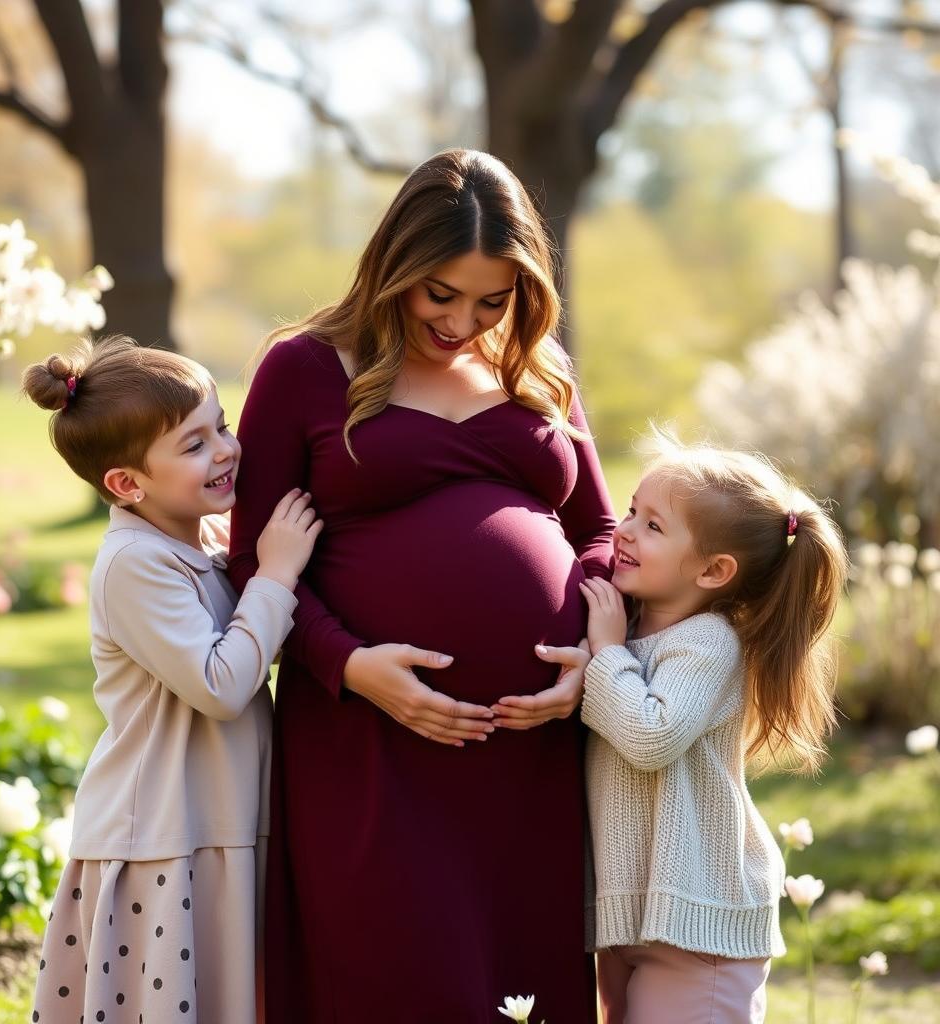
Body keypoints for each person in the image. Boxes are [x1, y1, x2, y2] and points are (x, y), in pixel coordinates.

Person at [228, 148, 617, 1023]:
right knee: (398, 973)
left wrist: (589, 657)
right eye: (440, 292)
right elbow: (255, 562)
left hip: (529, 753)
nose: (462, 321)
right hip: (371, 740)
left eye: (492, 299)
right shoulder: (306, 368)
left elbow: (597, 530)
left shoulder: (539, 368)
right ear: (394, 264)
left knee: (524, 983)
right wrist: (351, 665)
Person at [22, 336, 320, 1023]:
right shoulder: (135, 563)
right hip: (163, 833)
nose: (224, 449)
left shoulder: (201, 543)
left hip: (218, 817)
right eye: (193, 445)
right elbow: (220, 684)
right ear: (127, 484)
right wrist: (275, 575)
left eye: (221, 425)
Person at [538, 431, 848, 1024]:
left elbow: (651, 736)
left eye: (653, 526)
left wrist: (602, 657)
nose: (624, 530)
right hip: (635, 916)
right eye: (632, 510)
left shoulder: (708, 644)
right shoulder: (630, 629)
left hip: (699, 928)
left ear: (713, 570)